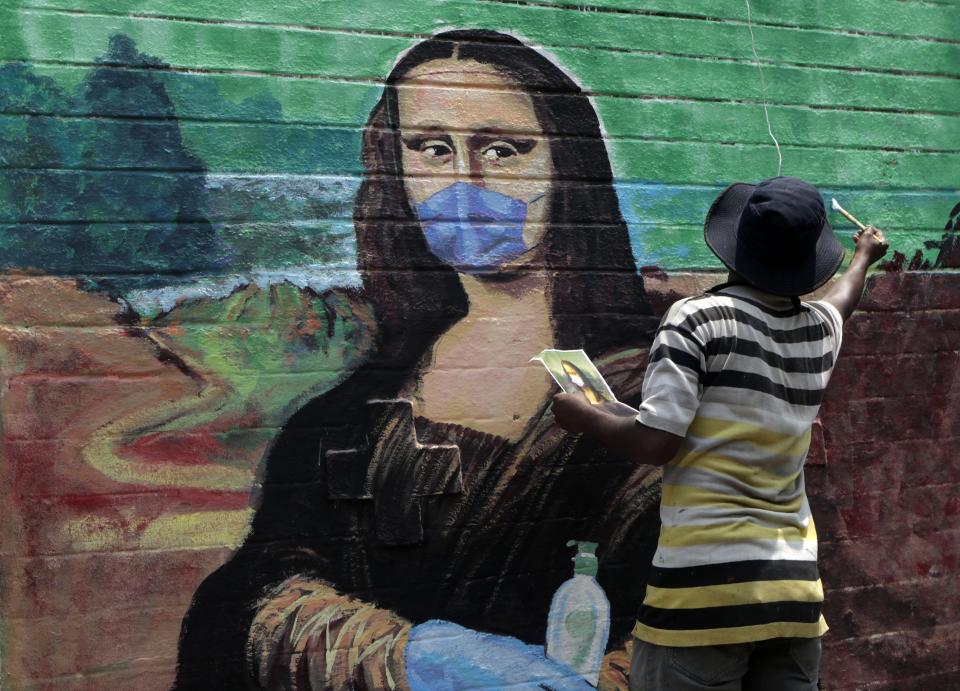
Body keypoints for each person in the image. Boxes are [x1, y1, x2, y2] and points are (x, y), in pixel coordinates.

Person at [174, 30, 663, 690]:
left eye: (503, 149)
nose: (466, 183)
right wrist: (400, 656)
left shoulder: (642, 388)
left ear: (567, 166)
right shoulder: (357, 407)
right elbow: (246, 598)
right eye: (432, 148)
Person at [552, 176, 889, 690]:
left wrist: (586, 416)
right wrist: (863, 256)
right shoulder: (820, 333)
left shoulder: (697, 320)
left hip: (703, 595)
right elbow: (841, 299)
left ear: (735, 243)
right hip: (793, 595)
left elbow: (655, 441)